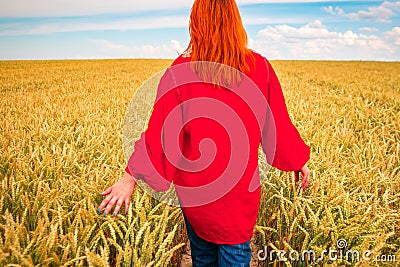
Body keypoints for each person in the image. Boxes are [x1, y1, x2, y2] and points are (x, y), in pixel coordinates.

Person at [97, 0, 310, 266]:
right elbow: (276, 125)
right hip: (239, 194)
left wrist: (129, 178)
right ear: (235, 23)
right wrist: (296, 159)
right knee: (235, 253)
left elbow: (161, 135)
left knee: (203, 257)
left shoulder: (180, 71)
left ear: (196, 24)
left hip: (197, 195)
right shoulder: (260, 68)